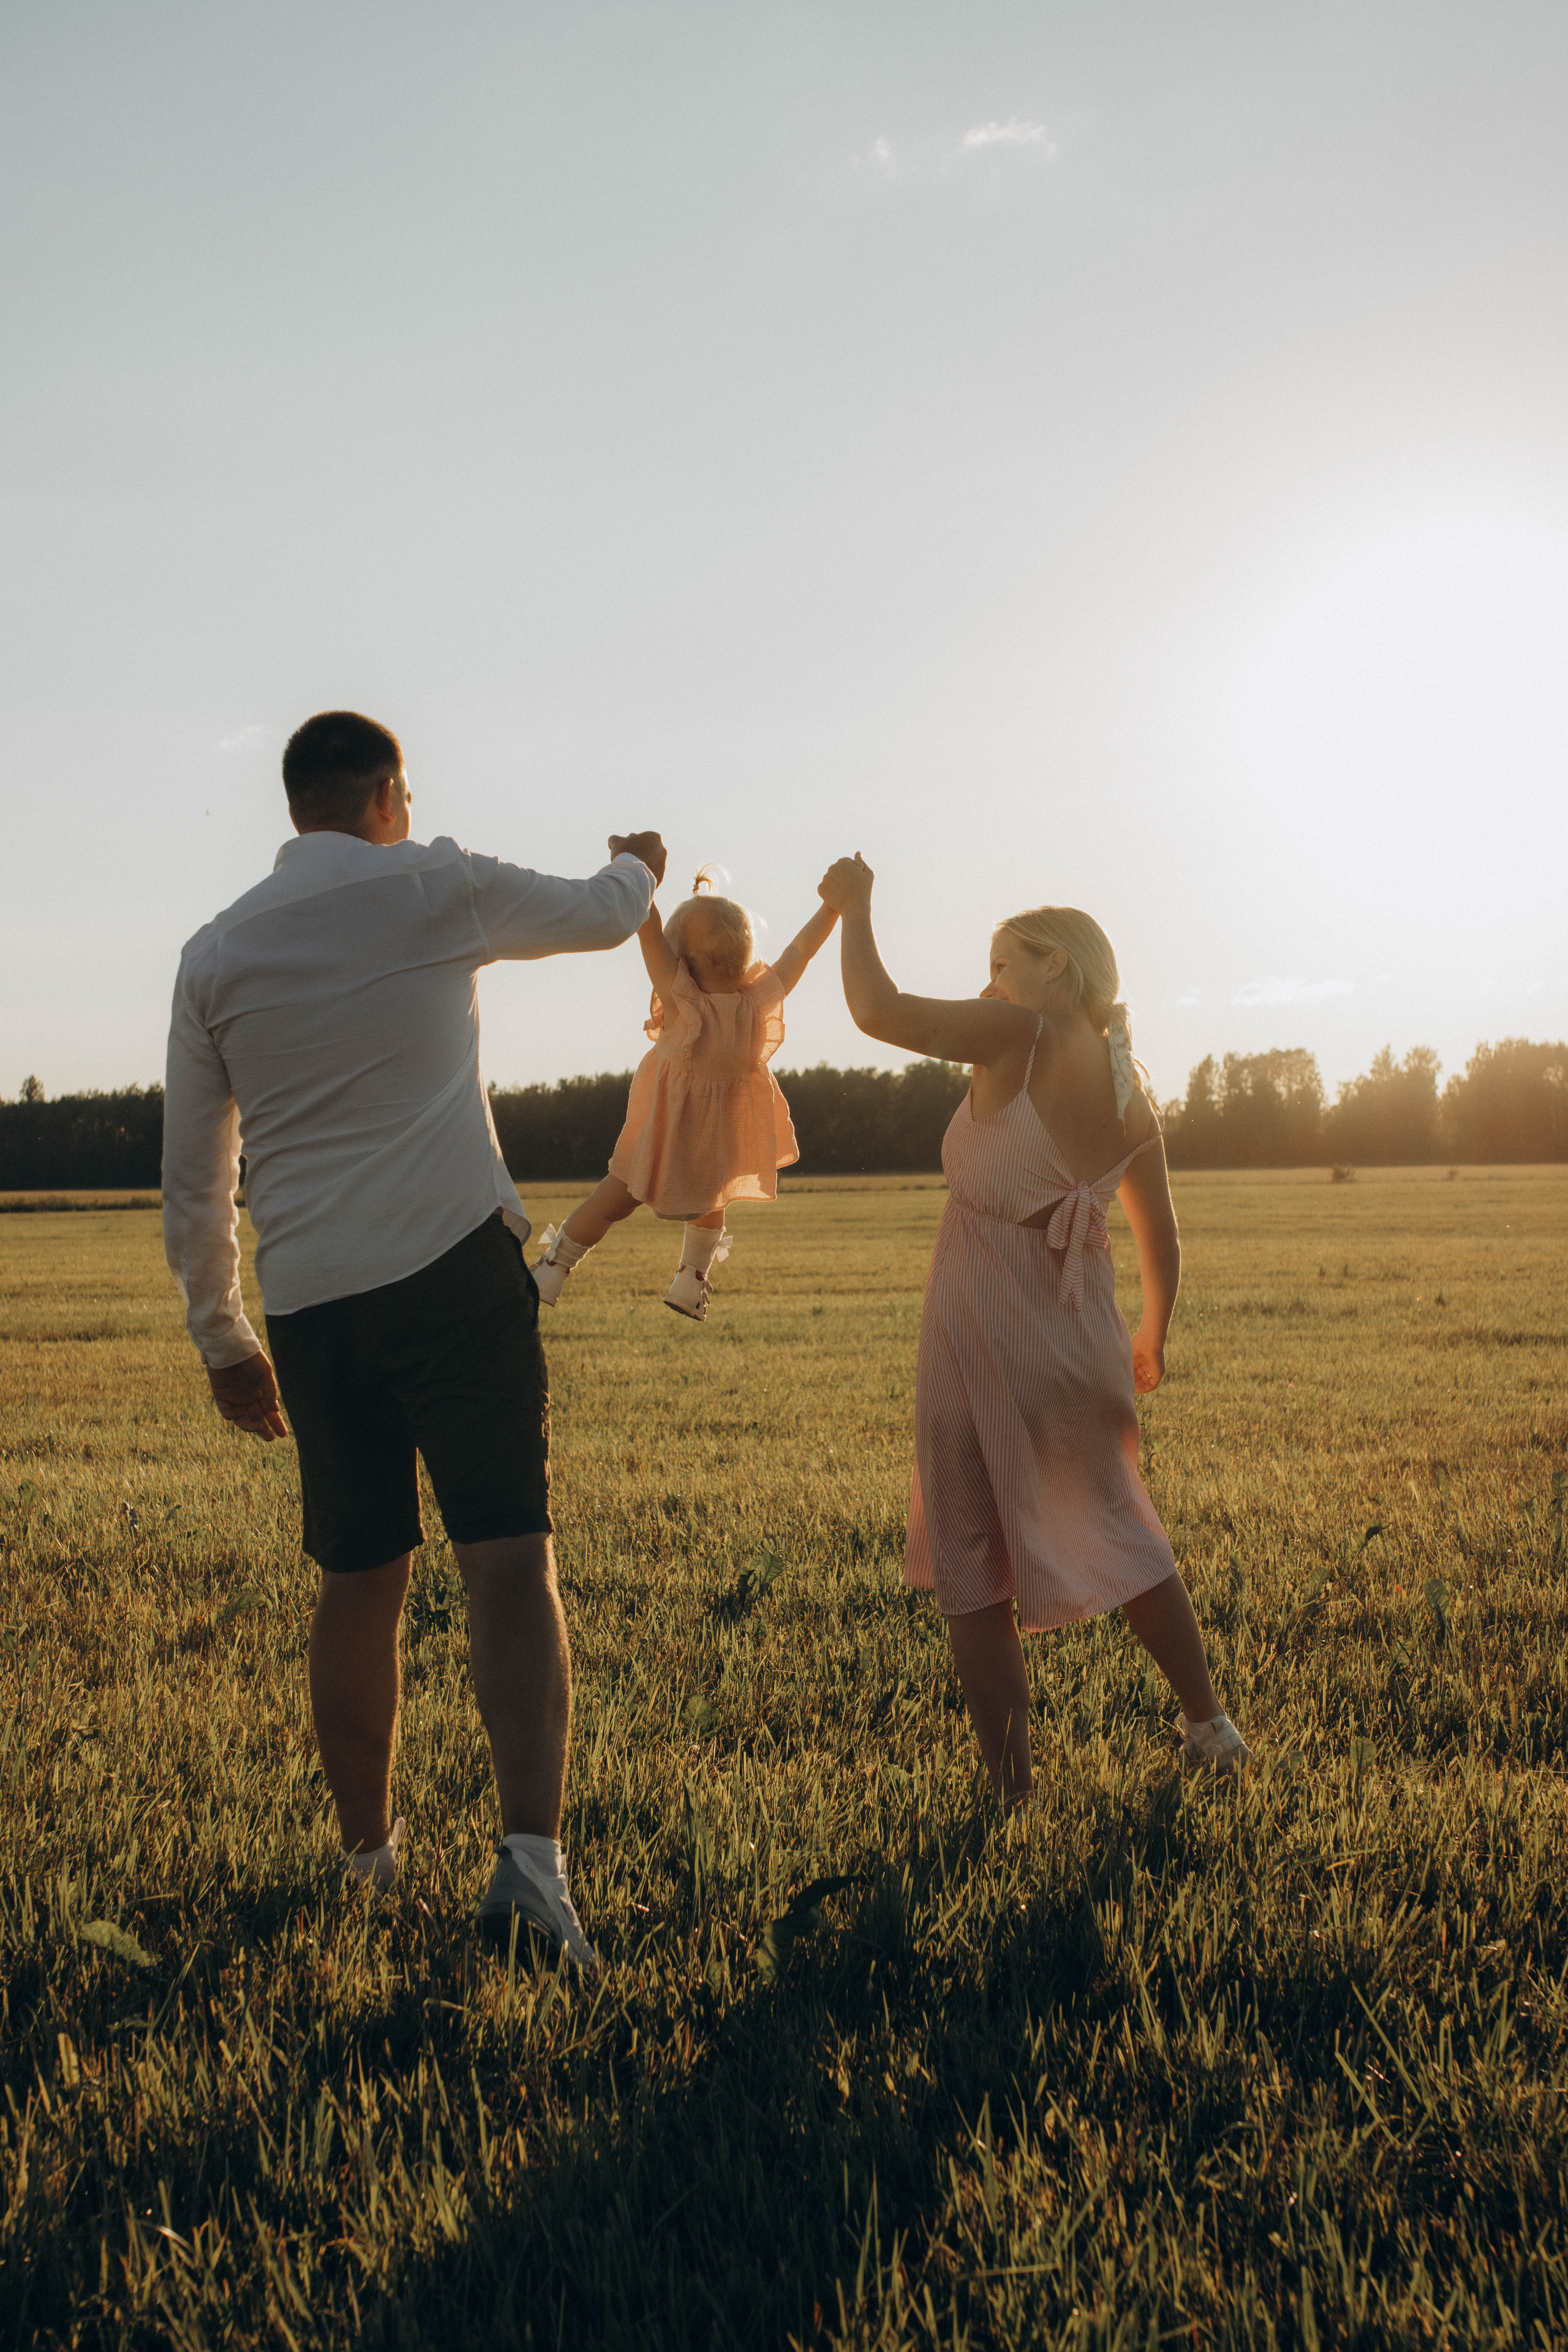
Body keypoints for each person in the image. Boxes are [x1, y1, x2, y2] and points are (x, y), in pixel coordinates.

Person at [161, 707, 667, 1967]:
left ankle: (366, 1864)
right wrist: (643, 863)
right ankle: (531, 1873)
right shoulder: (433, 885)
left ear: (294, 808)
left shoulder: (215, 952)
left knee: (356, 1580)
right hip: (451, 1275)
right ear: (387, 793)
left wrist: (224, 1338)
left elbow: (195, 1171)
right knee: (506, 1560)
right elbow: (603, 914)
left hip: (314, 1300)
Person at [818, 852, 1250, 1803]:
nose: (991, 983)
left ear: (1056, 966)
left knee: (970, 1553)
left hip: (984, 1329)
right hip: (1081, 1335)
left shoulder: (1022, 1034)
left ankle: (1012, 1791)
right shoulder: (1135, 1091)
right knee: (1122, 1525)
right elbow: (1162, 1240)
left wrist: (857, 907)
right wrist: (1152, 1337)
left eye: (1003, 961)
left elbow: (878, 1012)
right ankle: (1210, 1727)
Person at [531, 867, 839, 1322]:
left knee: (611, 1200)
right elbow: (800, 951)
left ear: (684, 963)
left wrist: (639, 872)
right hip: (714, 1153)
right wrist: (832, 906)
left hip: (660, 1144)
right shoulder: (757, 1006)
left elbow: (649, 933)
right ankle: (690, 1279)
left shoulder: (682, 1003)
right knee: (712, 1204)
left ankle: (553, 1268)